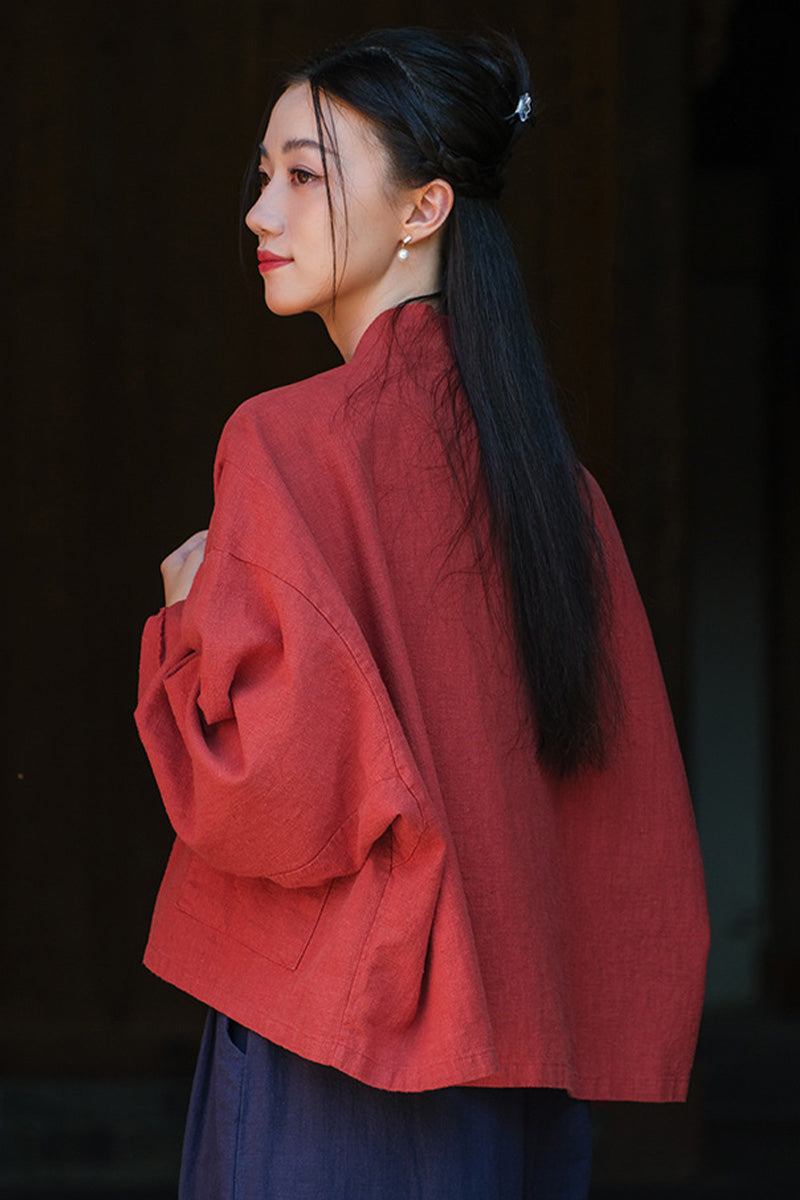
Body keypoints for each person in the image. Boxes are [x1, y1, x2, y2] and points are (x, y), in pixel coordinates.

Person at [132, 25, 710, 1200]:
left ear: (422, 207)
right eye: (262, 174)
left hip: (340, 1059)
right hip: (518, 1074)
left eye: (303, 176)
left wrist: (186, 621)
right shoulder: (559, 488)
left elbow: (265, 802)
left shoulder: (286, 445)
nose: (259, 212)